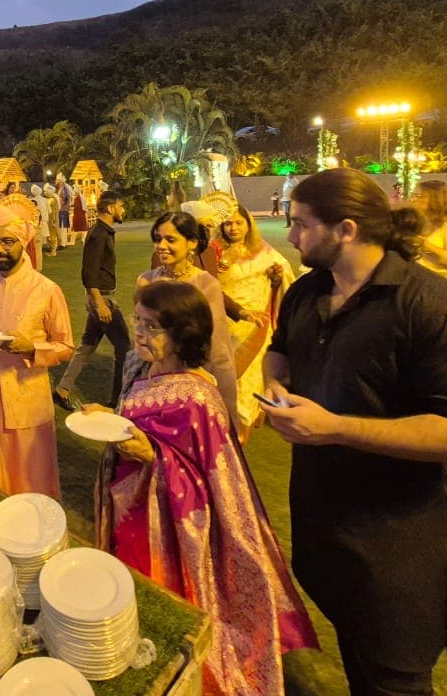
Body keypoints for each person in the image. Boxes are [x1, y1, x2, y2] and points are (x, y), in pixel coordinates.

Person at [263, 168, 447, 696]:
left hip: (395, 546)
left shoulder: (439, 310)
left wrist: (336, 429)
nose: (290, 236)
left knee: (392, 677)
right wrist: (278, 386)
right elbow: (281, 348)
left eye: (301, 224)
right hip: (325, 528)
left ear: (347, 229)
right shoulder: (308, 291)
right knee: (357, 655)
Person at [92, 280, 317, 695]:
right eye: (138, 322)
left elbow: (214, 483)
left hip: (173, 531)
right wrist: (105, 415)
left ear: (183, 333)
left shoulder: (197, 398)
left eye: (152, 327)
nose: (139, 333)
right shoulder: (144, 372)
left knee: (166, 604)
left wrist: (153, 456)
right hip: (130, 507)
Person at [0, 201, 74, 498]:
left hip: (27, 401)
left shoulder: (46, 290)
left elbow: (66, 347)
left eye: (7, 241)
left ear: (22, 242)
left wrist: (32, 349)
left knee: (30, 485)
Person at [135, 212, 238, 421]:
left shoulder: (205, 285)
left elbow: (217, 347)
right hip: (150, 375)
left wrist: (228, 408)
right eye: (157, 238)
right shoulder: (146, 282)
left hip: (190, 384)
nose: (161, 245)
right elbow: (139, 334)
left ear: (191, 242)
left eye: (170, 239)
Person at [213, 204, 295, 439]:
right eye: (228, 223)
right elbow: (207, 285)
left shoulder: (263, 251)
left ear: (249, 224)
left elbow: (285, 280)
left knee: (249, 381)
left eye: (239, 222)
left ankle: (242, 427)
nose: (233, 228)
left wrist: (277, 280)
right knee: (226, 378)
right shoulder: (214, 251)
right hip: (225, 326)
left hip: (255, 327)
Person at [53, 191, 132, 410]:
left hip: (101, 297)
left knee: (87, 346)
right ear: (110, 207)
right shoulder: (99, 234)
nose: (123, 210)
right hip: (103, 298)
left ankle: (62, 389)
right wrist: (98, 302)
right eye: (121, 205)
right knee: (124, 346)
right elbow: (89, 272)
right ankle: (118, 401)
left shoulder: (103, 231)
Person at [55, 172, 73, 247]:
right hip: (64, 209)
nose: (56, 182)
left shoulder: (64, 189)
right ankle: (63, 242)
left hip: (63, 210)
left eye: (57, 181)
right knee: (63, 227)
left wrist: (61, 206)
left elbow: (64, 199)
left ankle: (63, 243)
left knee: (62, 227)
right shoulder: (64, 188)